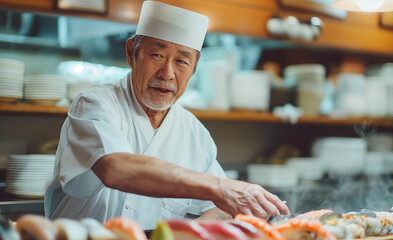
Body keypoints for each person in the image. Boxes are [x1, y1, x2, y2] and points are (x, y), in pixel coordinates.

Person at [44, 0, 290, 230]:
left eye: (182, 61)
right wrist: (220, 187)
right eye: (157, 55)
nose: (167, 73)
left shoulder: (194, 132)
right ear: (132, 53)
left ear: (194, 67)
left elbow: (218, 208)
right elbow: (115, 167)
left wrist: (193, 230)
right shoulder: (94, 104)